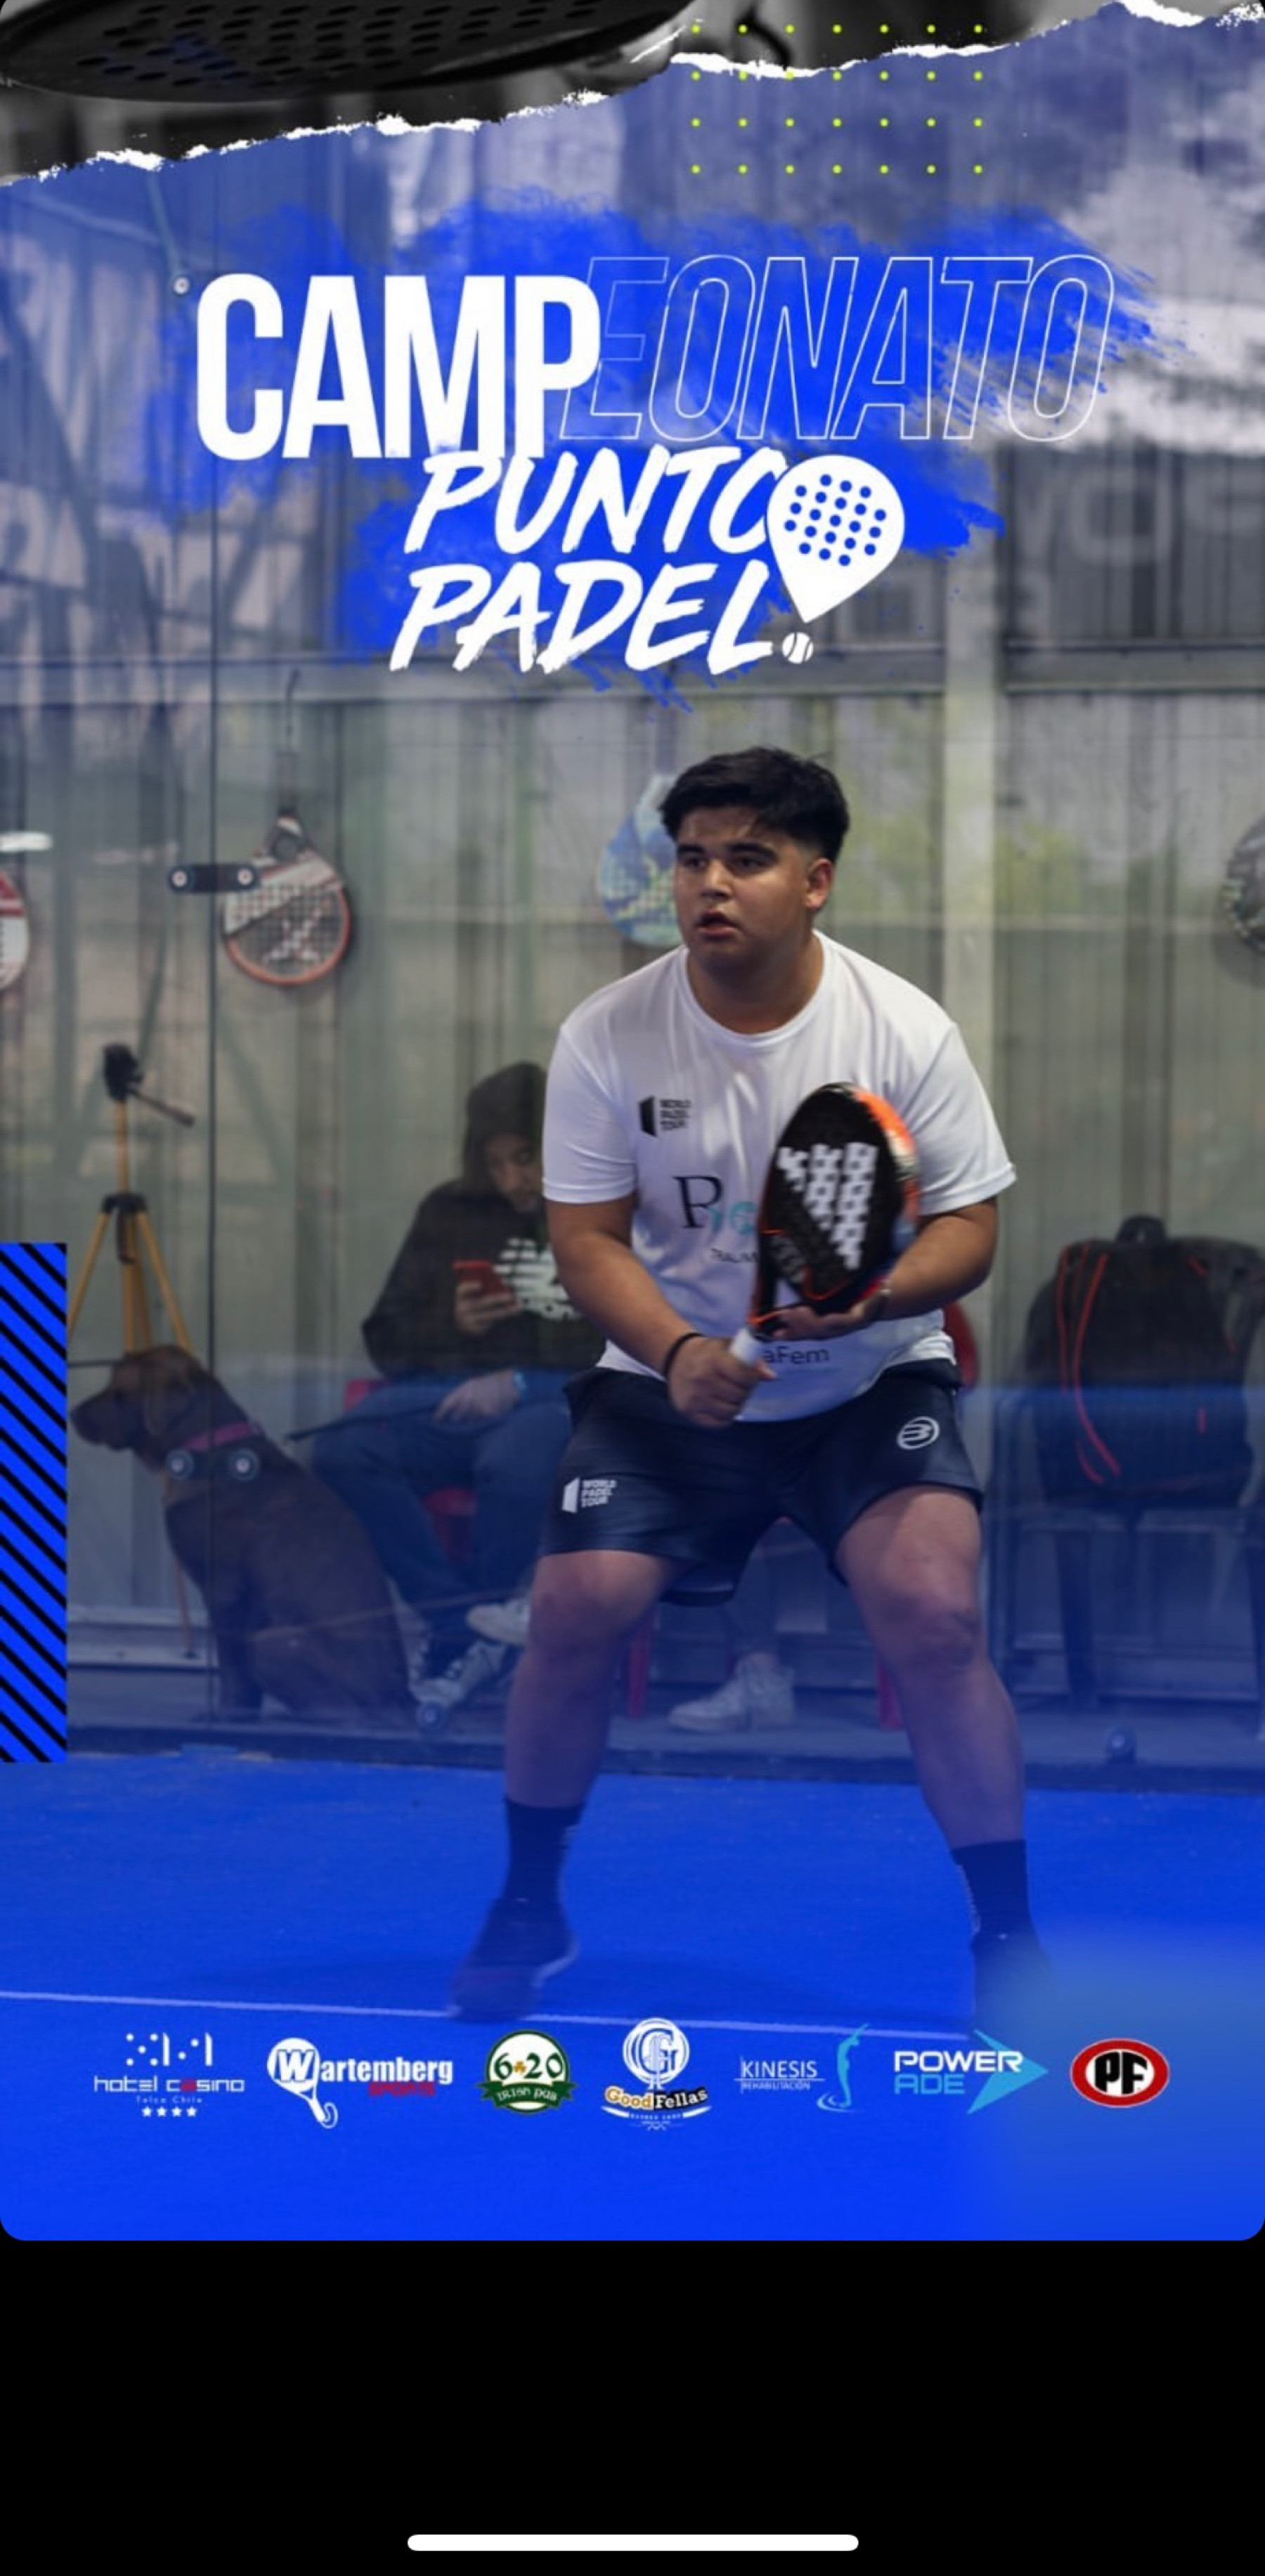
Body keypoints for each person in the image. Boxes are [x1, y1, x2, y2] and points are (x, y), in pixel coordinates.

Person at [450, 746, 1051, 2024]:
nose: (710, 884)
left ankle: (1009, 1937)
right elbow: (587, 1240)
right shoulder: (607, 1034)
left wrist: (872, 1295)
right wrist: (678, 1352)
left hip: (871, 1383)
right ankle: (528, 1901)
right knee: (572, 1612)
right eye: (692, 859)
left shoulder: (904, 1030)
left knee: (936, 1614)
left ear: (816, 880)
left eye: (747, 858)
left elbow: (971, 1228)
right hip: (666, 1389)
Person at [311, 1062, 601, 1726]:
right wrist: (452, 1324)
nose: (511, 1179)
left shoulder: (598, 1205)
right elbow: (386, 1337)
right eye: (495, 1164)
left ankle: (475, 1634)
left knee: (516, 1461)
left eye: (524, 1158)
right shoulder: (450, 1211)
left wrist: (520, 1381)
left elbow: (626, 1344)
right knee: (342, 1449)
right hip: (447, 1401)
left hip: (552, 1403)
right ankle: (462, 1625)